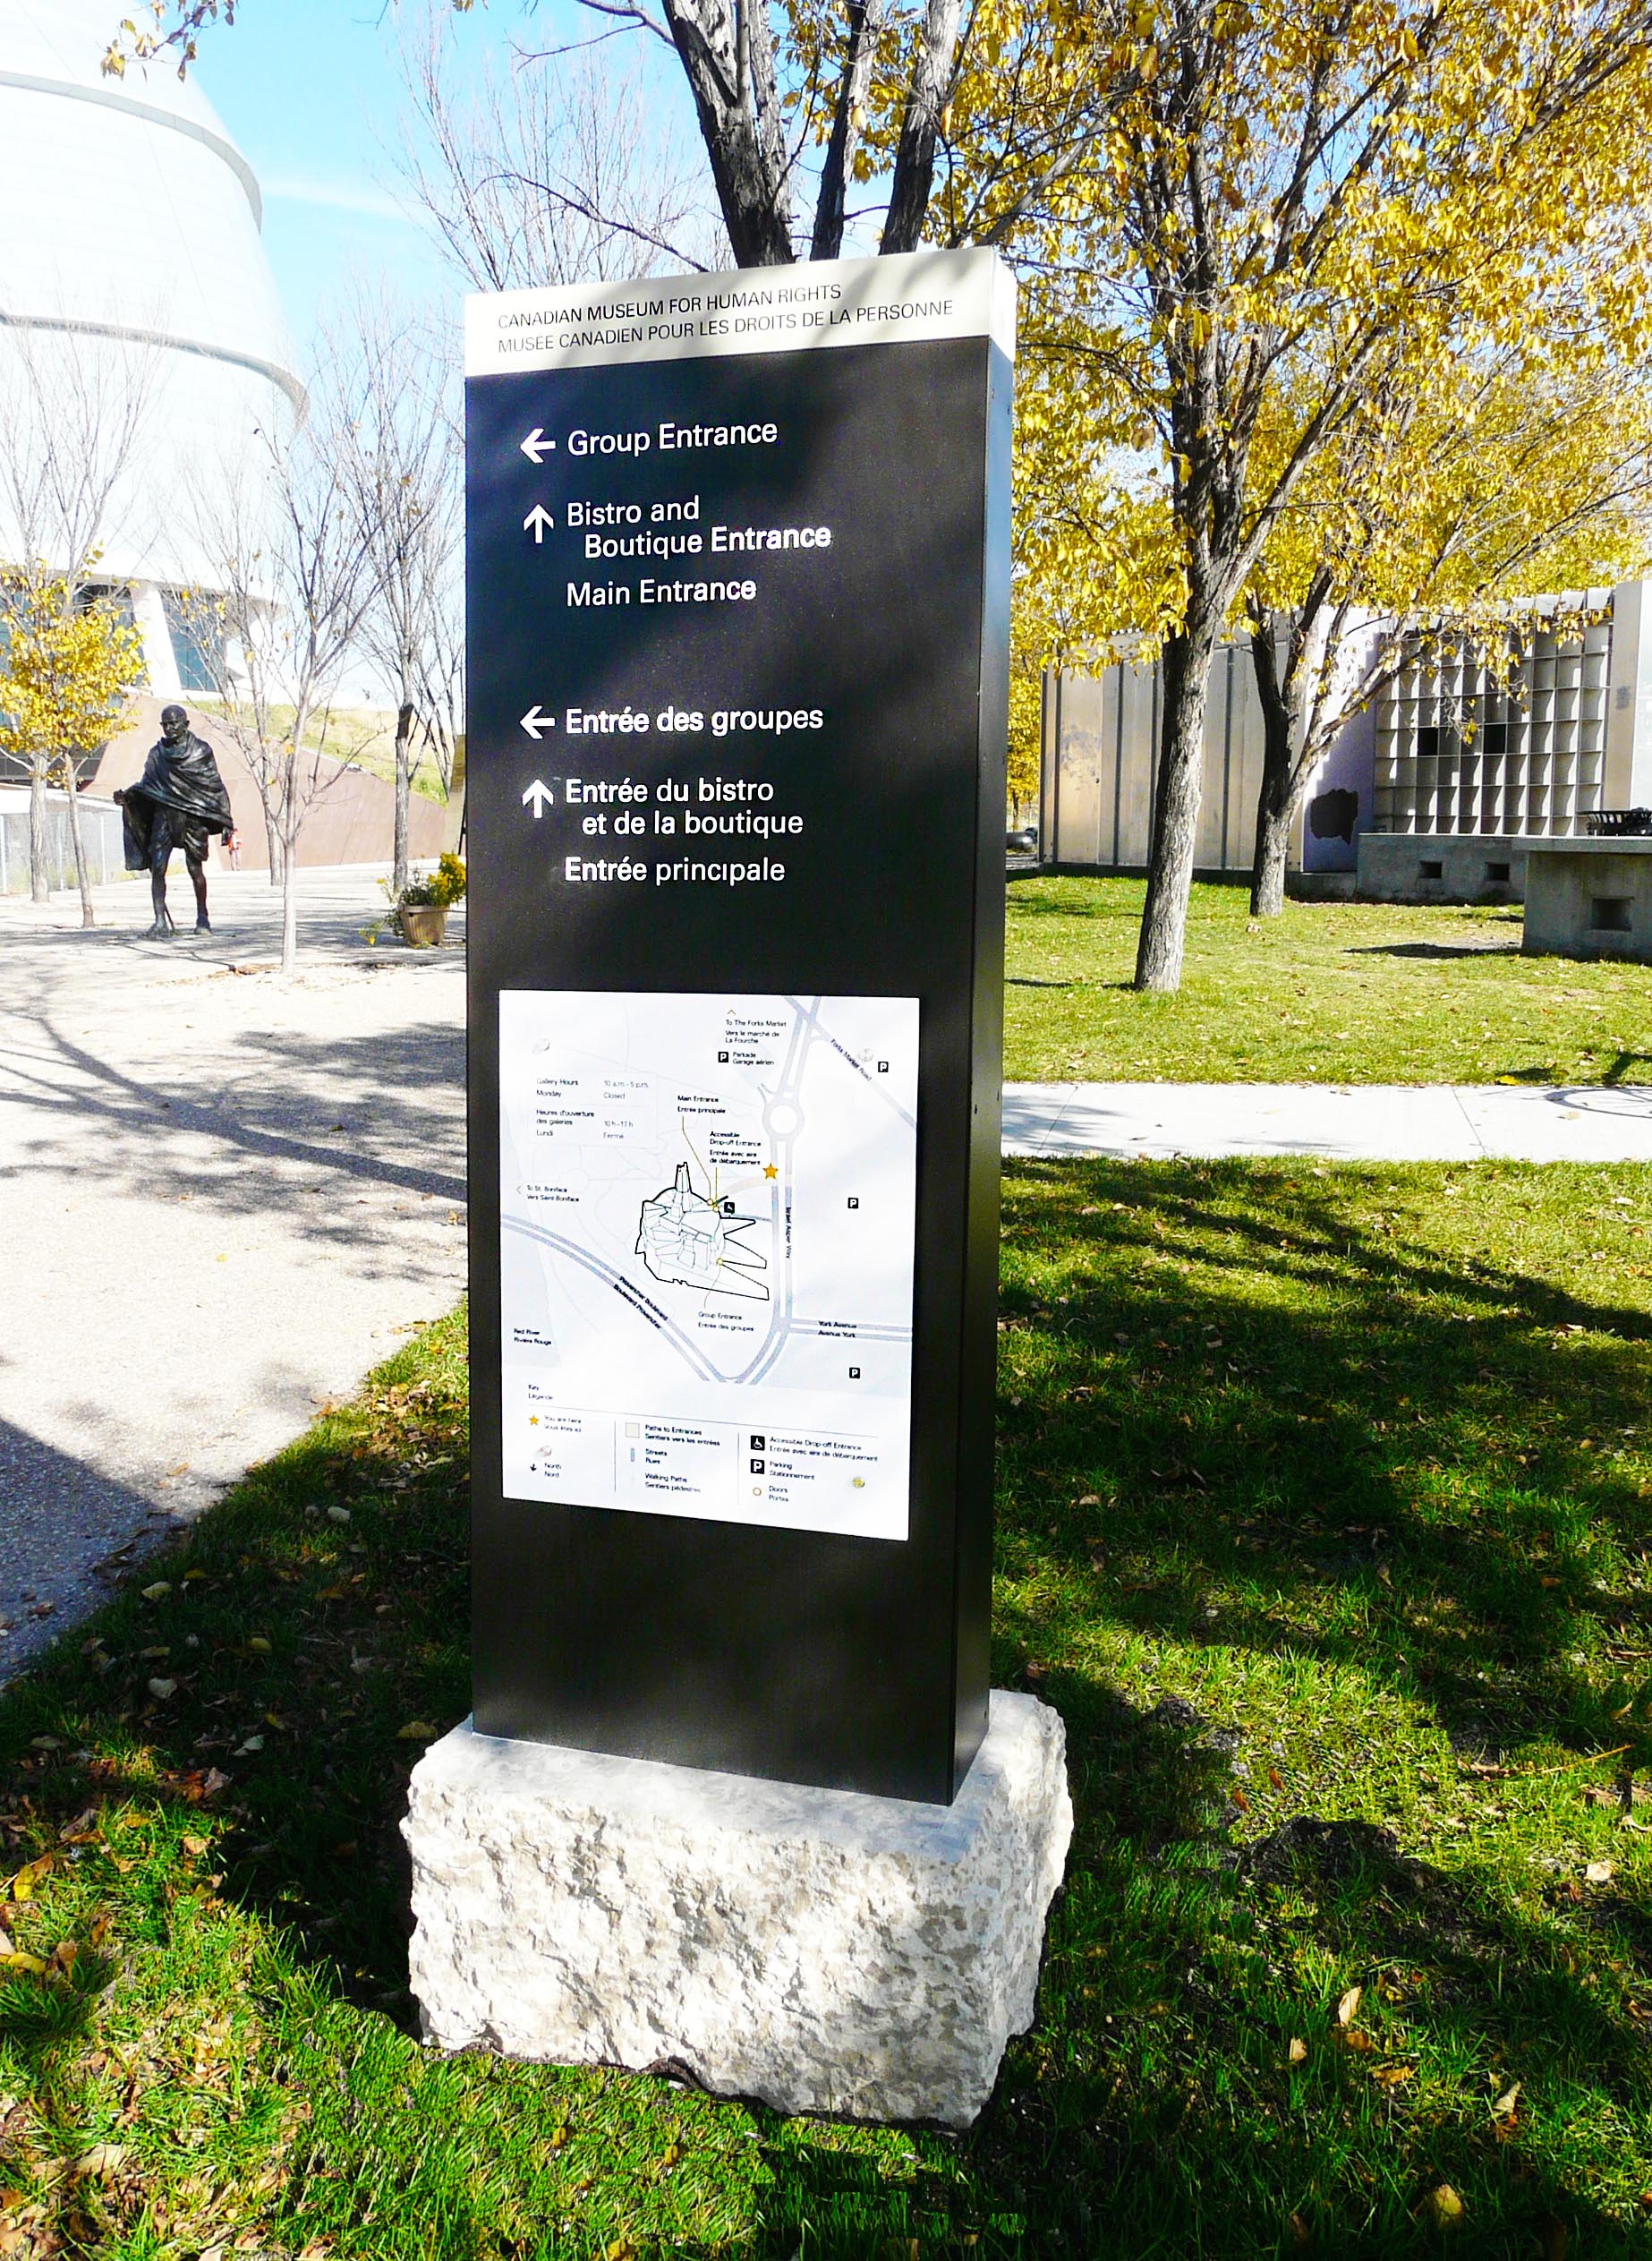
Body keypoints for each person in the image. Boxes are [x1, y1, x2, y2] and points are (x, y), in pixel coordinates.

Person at [115, 704, 235, 935]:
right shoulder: (157, 754)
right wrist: (128, 796)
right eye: (165, 724)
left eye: (173, 723)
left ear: (185, 724)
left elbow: (214, 785)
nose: (169, 728)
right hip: (164, 817)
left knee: (195, 869)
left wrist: (227, 821)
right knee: (158, 868)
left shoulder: (201, 751)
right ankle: (159, 920)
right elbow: (147, 785)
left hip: (192, 818)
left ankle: (203, 917)